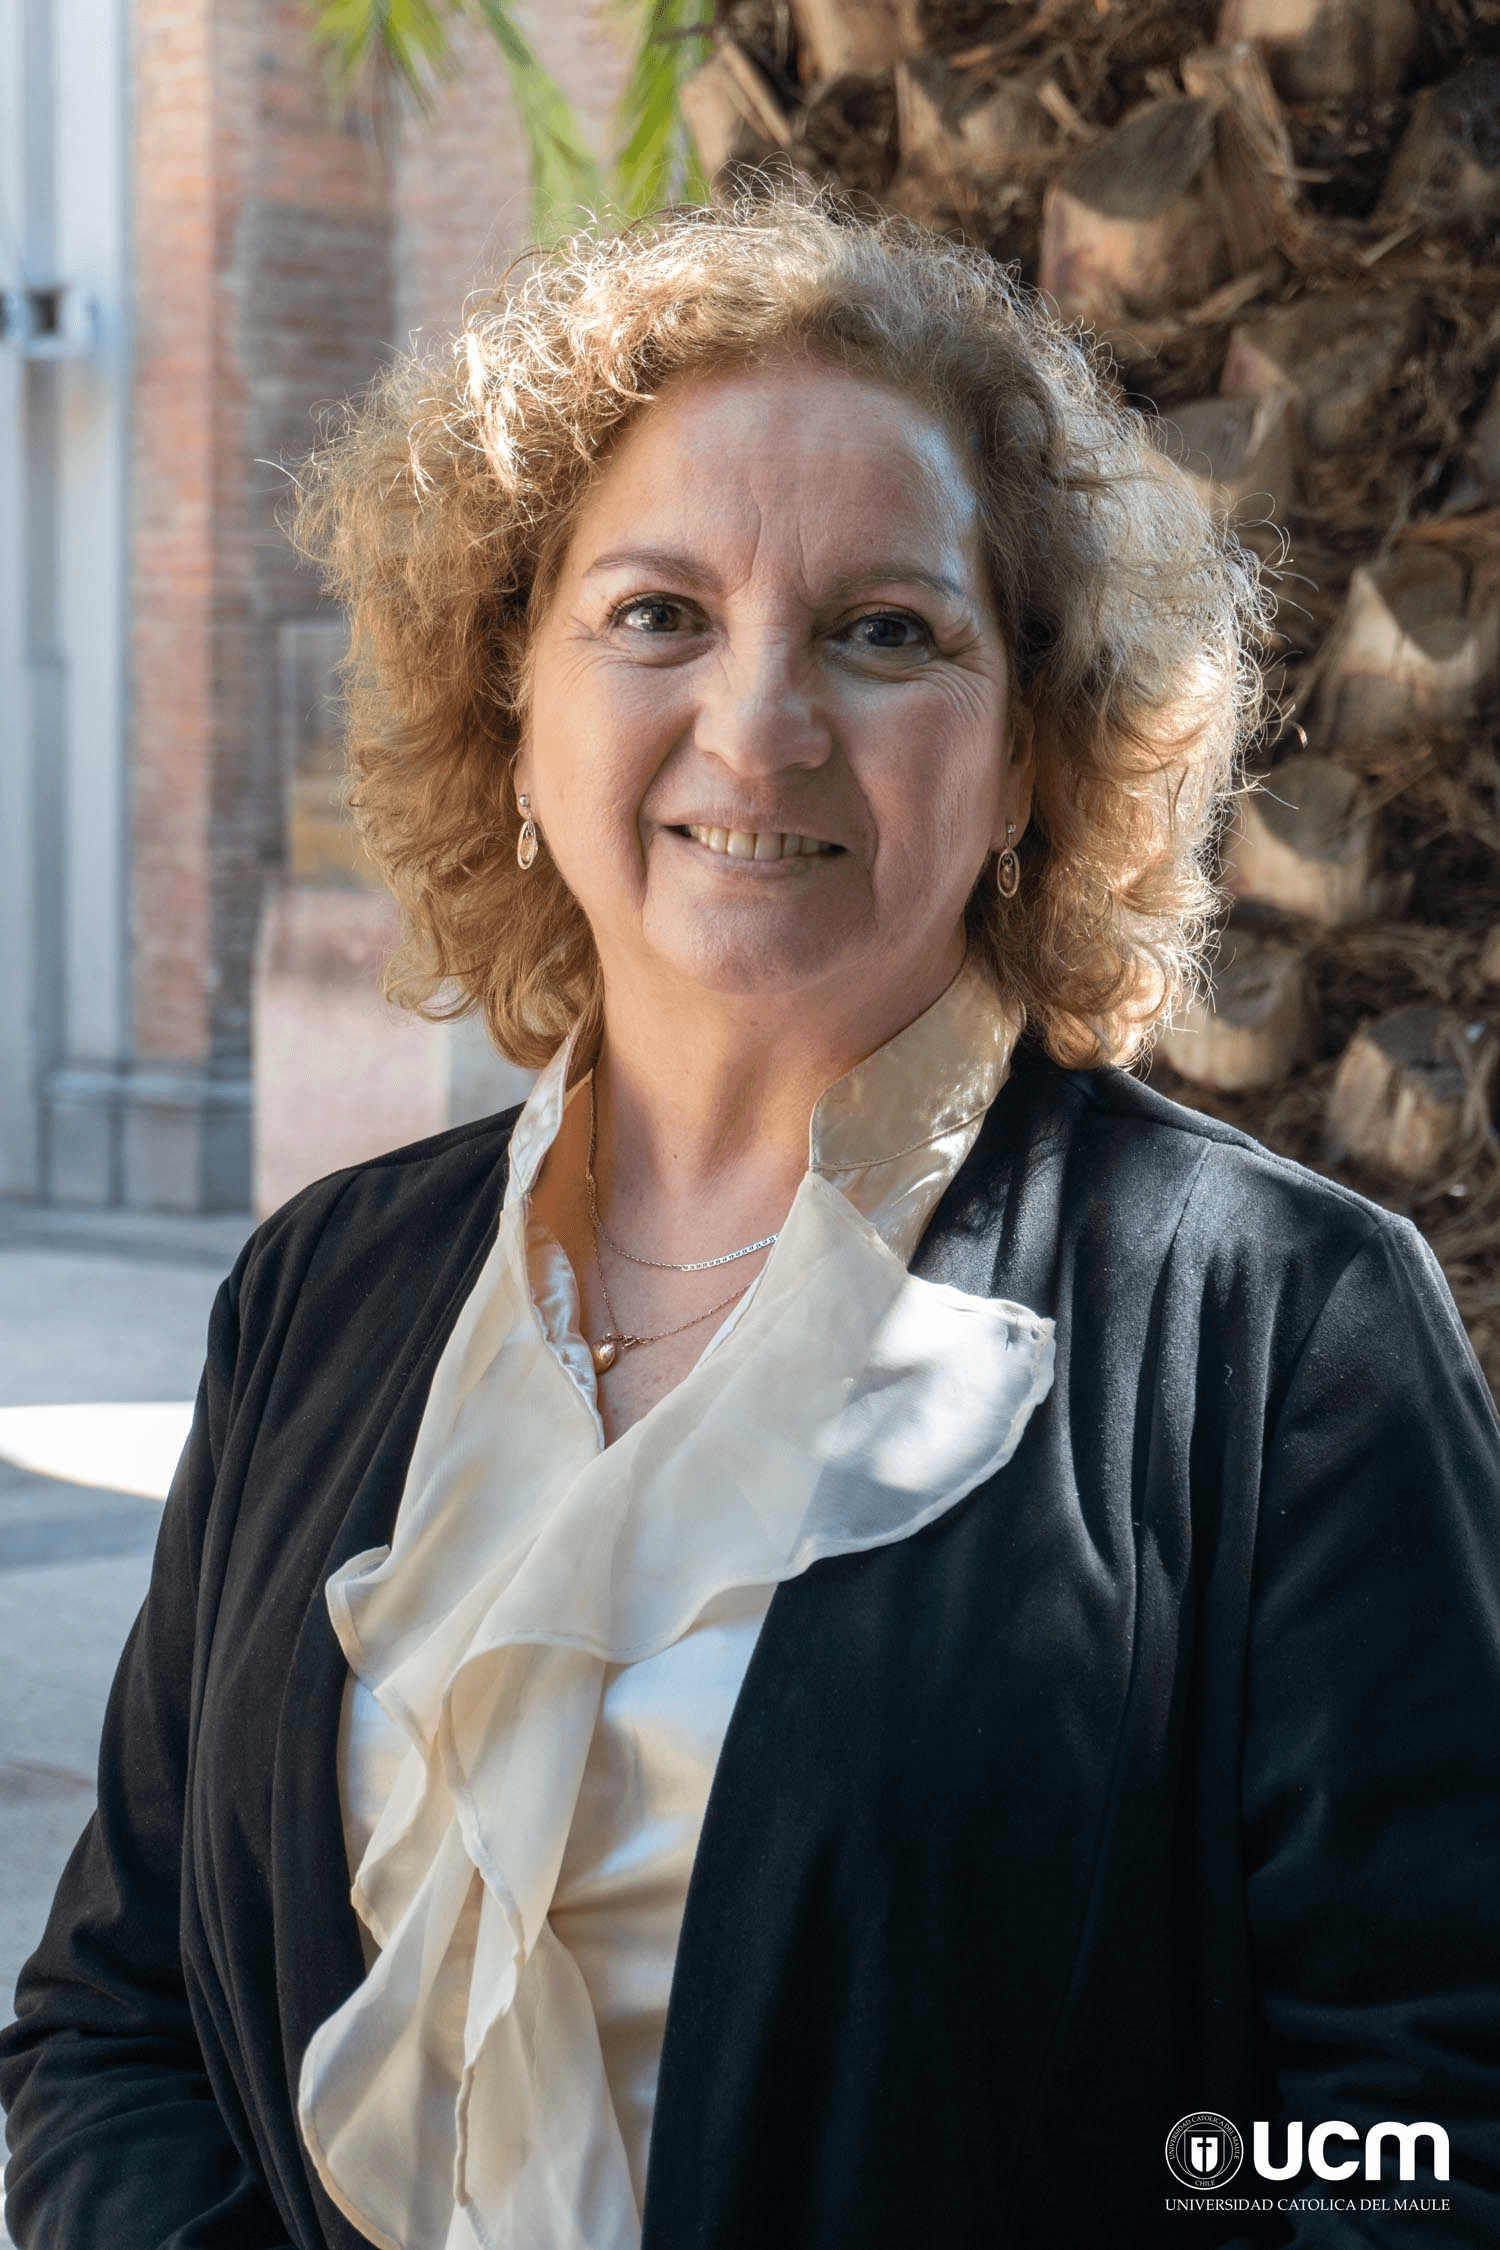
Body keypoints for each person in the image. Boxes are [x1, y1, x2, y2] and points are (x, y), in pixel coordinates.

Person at [3, 187, 1499, 2250]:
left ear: (1031, 752)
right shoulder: (322, 1290)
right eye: (657, 615)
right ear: (512, 708)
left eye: (887, 631)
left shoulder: (1284, 1331)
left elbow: (1427, 2126)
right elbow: (114, 2022)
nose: (762, 722)